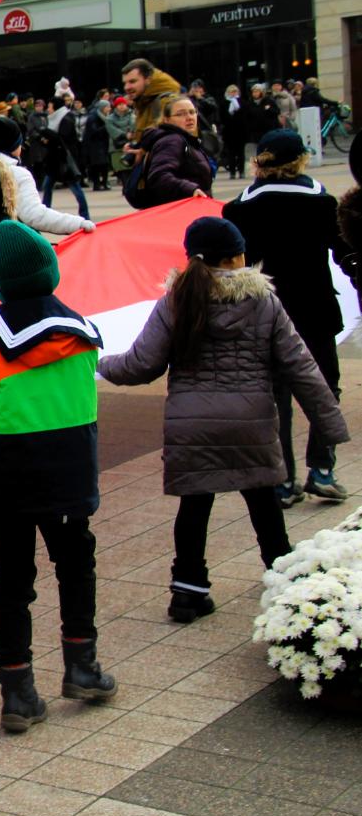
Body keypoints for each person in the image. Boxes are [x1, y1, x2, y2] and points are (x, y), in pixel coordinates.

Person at [99, 218, 349, 622]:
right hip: (250, 424)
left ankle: (188, 594)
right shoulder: (263, 301)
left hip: (192, 426)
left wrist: (100, 362)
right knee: (265, 505)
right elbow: (300, 366)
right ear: (237, 257)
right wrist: (330, 425)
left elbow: (141, 364)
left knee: (194, 509)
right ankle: (285, 582)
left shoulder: (177, 300)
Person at [0, 222, 116, 732]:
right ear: (50, 273)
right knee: (76, 566)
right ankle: (83, 666)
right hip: (71, 474)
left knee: (12, 582)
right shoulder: (82, 334)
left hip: (10, 480)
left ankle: (18, 692)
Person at [223, 130, 348, 504]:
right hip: (316, 309)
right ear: (300, 162)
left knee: (275, 394)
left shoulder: (238, 210)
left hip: (264, 312)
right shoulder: (322, 204)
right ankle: (322, 469)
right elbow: (345, 251)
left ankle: (282, 479)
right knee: (324, 388)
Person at [0, 119, 94, 266]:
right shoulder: (17, 174)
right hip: (7, 246)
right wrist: (78, 223)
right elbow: (35, 215)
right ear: (14, 145)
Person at [129, 96, 214, 207]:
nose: (189, 117)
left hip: (192, 207)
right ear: (166, 119)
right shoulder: (172, 141)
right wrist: (191, 189)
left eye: (192, 112)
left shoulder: (187, 139)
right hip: (181, 210)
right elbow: (159, 176)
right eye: (180, 114)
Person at [121, 57, 183, 140]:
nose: (126, 87)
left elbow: (173, 143)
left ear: (148, 79)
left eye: (132, 81)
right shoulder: (144, 101)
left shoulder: (166, 101)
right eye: (125, 83)